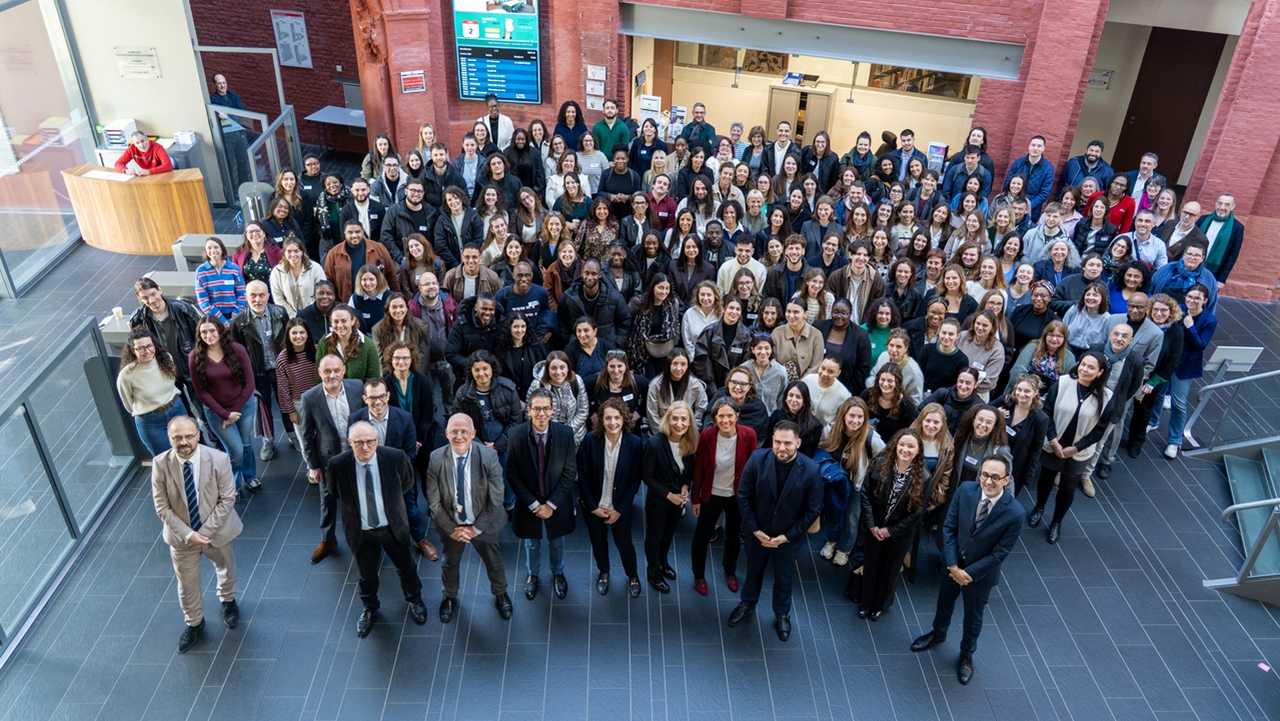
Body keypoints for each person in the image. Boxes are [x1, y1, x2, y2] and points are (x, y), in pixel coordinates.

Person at [910, 455, 1023, 685]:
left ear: (1006, 479)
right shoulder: (965, 490)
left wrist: (967, 574)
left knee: (973, 617)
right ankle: (938, 633)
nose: (988, 481)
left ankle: (966, 655)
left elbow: (999, 554)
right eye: (984, 474)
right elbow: (949, 527)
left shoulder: (1015, 513)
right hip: (952, 566)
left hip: (979, 576)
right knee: (944, 601)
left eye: (995, 477)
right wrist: (953, 566)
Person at [152, 415, 242, 653]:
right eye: (177, 437)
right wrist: (188, 535)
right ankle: (194, 623)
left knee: (226, 568)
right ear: (169, 438)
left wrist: (203, 532)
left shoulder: (219, 459)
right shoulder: (160, 464)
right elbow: (162, 507)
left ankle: (228, 600)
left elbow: (227, 499)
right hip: (182, 540)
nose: (184, 442)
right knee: (186, 584)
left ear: (198, 435)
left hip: (218, 533)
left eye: (189, 436)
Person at [327, 421, 426, 636]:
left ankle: (415, 600)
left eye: (370, 441)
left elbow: (407, 483)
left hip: (393, 527)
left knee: (406, 567)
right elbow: (335, 492)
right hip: (361, 532)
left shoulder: (395, 458)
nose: (365, 447)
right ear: (349, 442)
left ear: (377, 440)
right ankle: (370, 609)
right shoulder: (337, 465)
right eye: (359, 442)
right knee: (366, 575)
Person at [726, 420, 822, 641]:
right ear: (772, 440)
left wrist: (786, 537)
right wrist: (755, 530)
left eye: (787, 443)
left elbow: (812, 510)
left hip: (787, 538)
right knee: (753, 570)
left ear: (798, 443)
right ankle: (747, 603)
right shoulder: (758, 459)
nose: (781, 447)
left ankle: (782, 613)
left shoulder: (811, 470)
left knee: (784, 576)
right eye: (777, 442)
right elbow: (744, 496)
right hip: (756, 534)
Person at [1028, 351, 1117, 543]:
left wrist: (1076, 448)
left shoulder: (1107, 396)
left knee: (1068, 488)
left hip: (1079, 451)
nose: (1084, 369)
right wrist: (1053, 440)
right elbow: (1047, 412)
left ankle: (1057, 522)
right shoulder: (1062, 383)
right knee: (1046, 478)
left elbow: (1099, 431)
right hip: (1054, 444)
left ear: (1100, 372)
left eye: (1091, 367)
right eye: (1083, 364)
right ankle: (1039, 507)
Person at [299, 355, 366, 563]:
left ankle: (364, 537)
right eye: (327, 371)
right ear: (319, 373)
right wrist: (313, 466)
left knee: (360, 497)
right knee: (327, 500)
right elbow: (307, 435)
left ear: (343, 370)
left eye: (336, 370)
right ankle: (327, 539)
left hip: (358, 456)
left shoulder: (357, 387)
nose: (332, 375)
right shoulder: (310, 398)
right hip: (329, 460)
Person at [857, 428, 928, 621]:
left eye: (910, 446)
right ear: (895, 445)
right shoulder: (879, 464)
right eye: (902, 444)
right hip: (874, 528)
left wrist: (890, 531)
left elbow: (917, 513)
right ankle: (865, 603)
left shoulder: (924, 478)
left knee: (889, 570)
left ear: (918, 450)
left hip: (899, 535)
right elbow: (865, 494)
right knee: (871, 566)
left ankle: (879, 606)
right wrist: (872, 525)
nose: (905, 449)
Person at [577, 398, 644, 597]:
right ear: (601, 420)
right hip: (595, 506)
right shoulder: (590, 440)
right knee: (598, 542)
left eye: (616, 418)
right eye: (608, 418)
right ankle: (603, 572)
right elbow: (584, 476)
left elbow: (634, 481)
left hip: (619, 508)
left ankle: (632, 575)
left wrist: (620, 510)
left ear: (624, 419)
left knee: (624, 544)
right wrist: (592, 507)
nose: (612, 422)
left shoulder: (635, 443)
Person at [691, 398, 758, 596]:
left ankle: (730, 571)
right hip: (711, 494)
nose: (726, 420)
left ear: (737, 416)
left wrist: (751, 499)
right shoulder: (707, 436)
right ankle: (699, 575)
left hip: (737, 496)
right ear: (715, 417)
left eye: (730, 415)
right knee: (701, 536)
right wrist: (695, 499)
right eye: (721, 416)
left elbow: (753, 469)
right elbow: (699, 469)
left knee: (733, 537)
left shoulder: (749, 435)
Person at [189, 316, 258, 497]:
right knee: (235, 450)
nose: (208, 335)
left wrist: (234, 411)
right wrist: (224, 414)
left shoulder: (238, 350)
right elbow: (201, 392)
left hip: (244, 406)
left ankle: (250, 477)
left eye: (212, 330)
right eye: (203, 332)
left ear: (220, 330)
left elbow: (250, 383)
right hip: (216, 412)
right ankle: (231, 486)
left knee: (246, 444)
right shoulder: (195, 356)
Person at [229, 280, 289, 461]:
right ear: (246, 297)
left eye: (261, 295)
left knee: (286, 405)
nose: (257, 299)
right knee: (263, 410)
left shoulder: (280, 313)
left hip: (280, 369)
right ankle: (268, 441)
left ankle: (293, 435)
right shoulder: (238, 322)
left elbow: (287, 339)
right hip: (257, 373)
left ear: (268, 296)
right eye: (253, 296)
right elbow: (236, 353)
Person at [643, 401, 697, 593]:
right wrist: (669, 495)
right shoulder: (655, 443)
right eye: (675, 418)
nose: (679, 423)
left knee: (668, 534)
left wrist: (685, 486)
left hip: (678, 500)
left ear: (689, 422)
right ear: (668, 420)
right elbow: (647, 476)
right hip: (658, 500)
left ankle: (663, 561)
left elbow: (689, 468)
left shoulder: (690, 442)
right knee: (655, 536)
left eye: (684, 419)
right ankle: (653, 572)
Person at [1160, 284, 1217, 458]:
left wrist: (1191, 327)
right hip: (1167, 360)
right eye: (1190, 297)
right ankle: (1153, 421)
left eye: (1197, 298)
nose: (1192, 301)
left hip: (1185, 365)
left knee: (1178, 403)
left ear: (1205, 301)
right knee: (1158, 394)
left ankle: (1175, 441)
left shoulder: (1209, 320)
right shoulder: (1178, 310)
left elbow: (1201, 345)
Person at [118, 328, 188, 457]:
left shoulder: (166, 359)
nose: (147, 351)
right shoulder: (127, 375)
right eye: (141, 348)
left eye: (149, 346)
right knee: (168, 461)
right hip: (151, 422)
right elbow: (128, 405)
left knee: (187, 453)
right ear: (133, 351)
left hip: (176, 410)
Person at [557, 258, 632, 349]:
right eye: (587, 273)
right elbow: (563, 320)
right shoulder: (569, 297)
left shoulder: (614, 297)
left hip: (605, 347)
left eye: (594, 274)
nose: (590, 277)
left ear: (600, 275)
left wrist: (616, 343)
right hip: (578, 347)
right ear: (582, 273)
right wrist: (569, 341)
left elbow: (625, 322)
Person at [324, 222, 400, 303]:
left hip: (377, 302)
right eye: (350, 232)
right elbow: (329, 281)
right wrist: (336, 304)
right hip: (345, 305)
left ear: (363, 232)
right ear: (344, 234)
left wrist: (396, 299)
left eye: (357, 232)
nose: (354, 235)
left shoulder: (379, 249)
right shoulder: (333, 254)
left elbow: (391, 277)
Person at [275, 318, 318, 453]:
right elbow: (283, 388)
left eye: (302, 332)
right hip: (299, 403)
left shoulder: (317, 351)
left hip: (319, 399)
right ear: (288, 335)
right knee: (305, 440)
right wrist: (291, 412)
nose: (298, 337)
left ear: (307, 334)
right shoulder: (282, 359)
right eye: (294, 333)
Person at [208, 74, 252, 190]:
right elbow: (220, 116)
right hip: (226, 136)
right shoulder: (213, 99)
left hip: (239, 133)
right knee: (229, 165)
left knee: (243, 161)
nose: (222, 85)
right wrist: (230, 115)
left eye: (224, 82)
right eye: (219, 83)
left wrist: (228, 115)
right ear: (215, 85)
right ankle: (232, 191)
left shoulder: (233, 95)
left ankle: (244, 187)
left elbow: (241, 112)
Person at [270, 237, 327, 318]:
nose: (293, 255)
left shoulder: (315, 268)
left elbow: (322, 292)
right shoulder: (277, 272)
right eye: (289, 251)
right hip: (290, 318)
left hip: (314, 315)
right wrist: (292, 315)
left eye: (296, 251)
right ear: (284, 253)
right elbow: (278, 298)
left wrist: (308, 313)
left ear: (302, 252)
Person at [194, 237, 245, 324]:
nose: (213, 250)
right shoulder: (201, 271)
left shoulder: (234, 268)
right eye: (209, 248)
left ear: (222, 249)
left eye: (216, 247)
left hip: (235, 316)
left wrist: (233, 318)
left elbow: (242, 295)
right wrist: (221, 320)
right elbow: (202, 300)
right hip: (214, 318)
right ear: (206, 252)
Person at [1198, 193, 1245, 285]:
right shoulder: (1203, 220)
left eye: (1227, 205)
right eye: (1220, 203)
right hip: (1193, 264)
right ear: (1215, 204)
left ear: (1232, 207)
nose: (1222, 207)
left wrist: (1222, 279)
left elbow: (1233, 255)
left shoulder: (1237, 228)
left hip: (1214, 271)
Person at [1003, 136, 1054, 221]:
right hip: (1012, 206)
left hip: (1032, 210)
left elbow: (1044, 193)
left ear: (1043, 148)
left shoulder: (1048, 168)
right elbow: (1008, 183)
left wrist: (1027, 206)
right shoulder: (1018, 163)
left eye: (1039, 146)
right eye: (1033, 145)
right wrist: (1013, 204)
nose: (1035, 148)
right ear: (1029, 146)